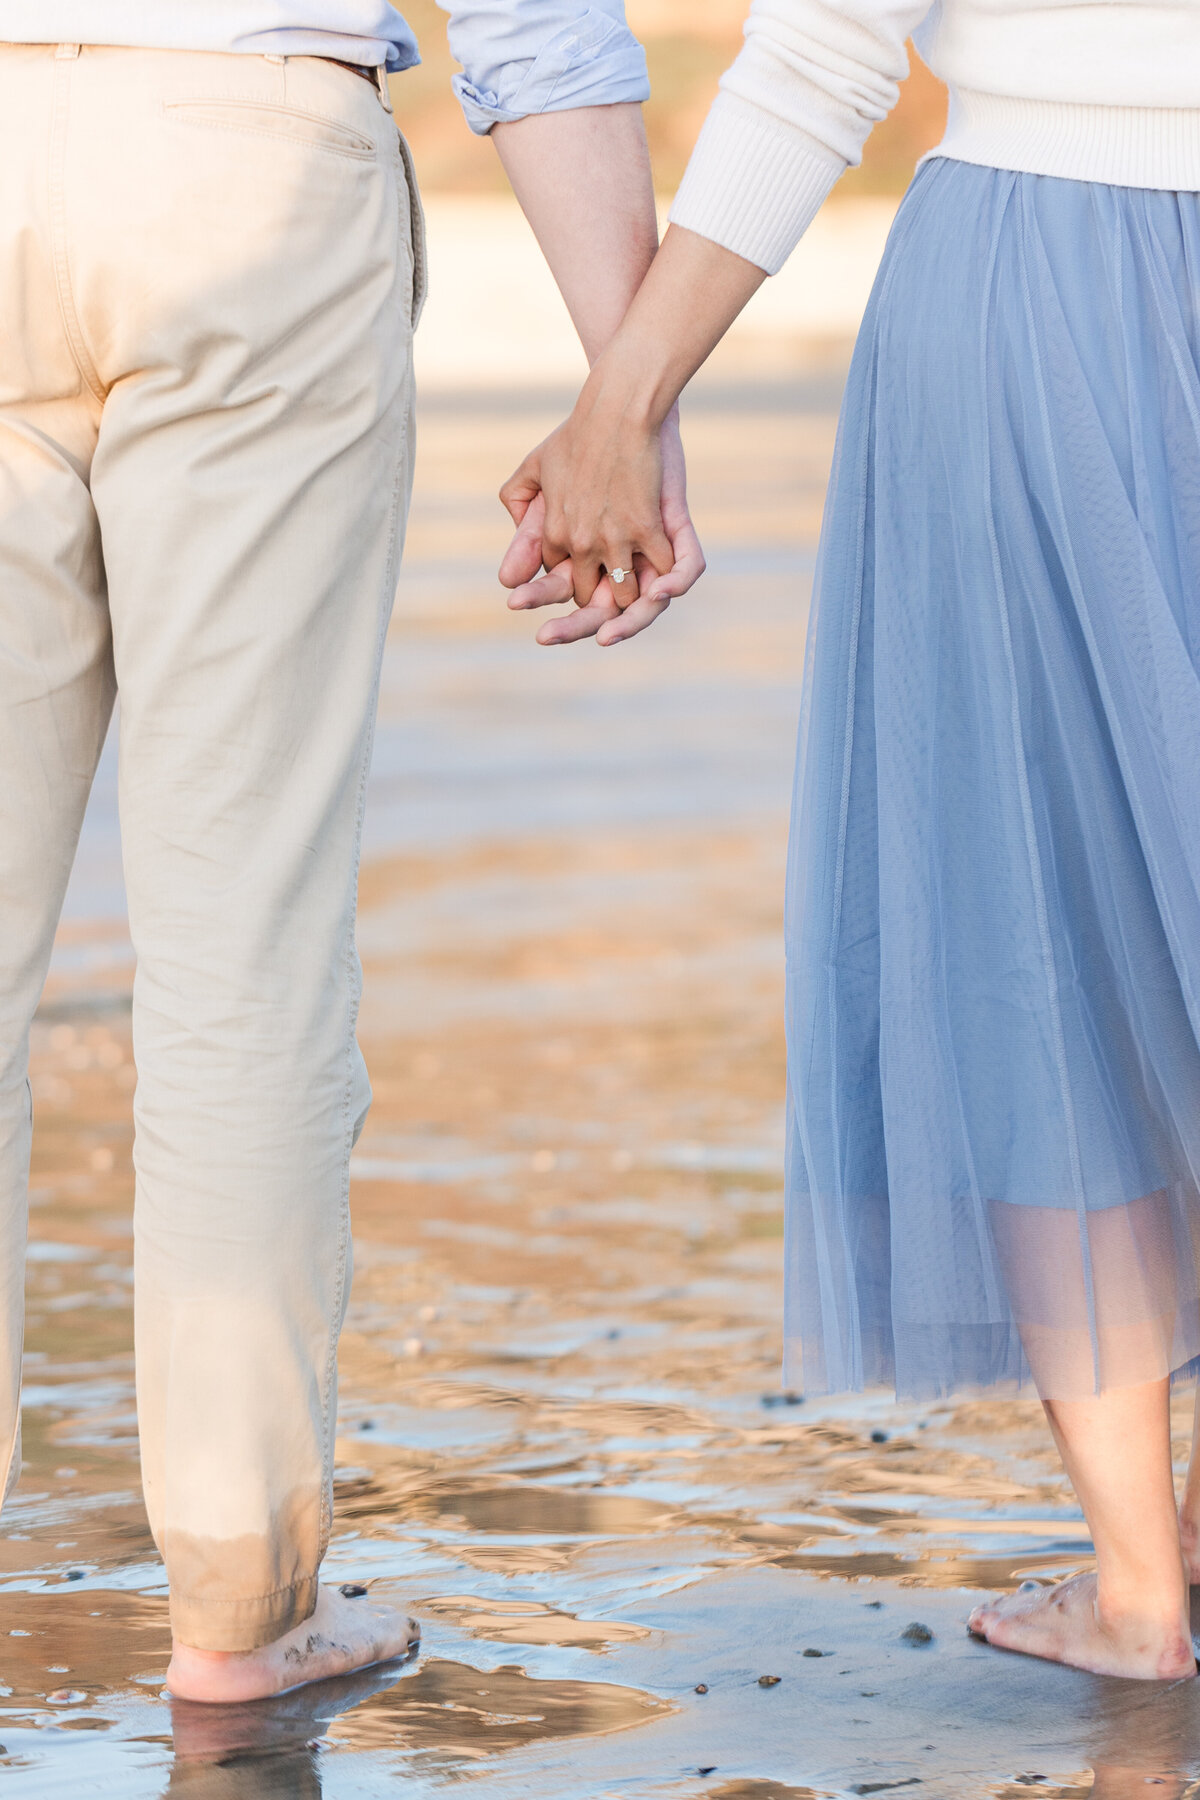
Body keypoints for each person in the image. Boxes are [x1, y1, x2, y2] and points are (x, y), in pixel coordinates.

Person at [0, 2, 702, 1704]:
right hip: (248, 145)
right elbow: (533, 22)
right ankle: (241, 1606)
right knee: (241, 950)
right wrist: (633, 390)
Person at [502, 0, 1200, 1680]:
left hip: (1037, 288)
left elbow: (825, 50)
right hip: (1042, 280)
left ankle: (1139, 1588)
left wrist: (623, 403)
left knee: (1032, 925)